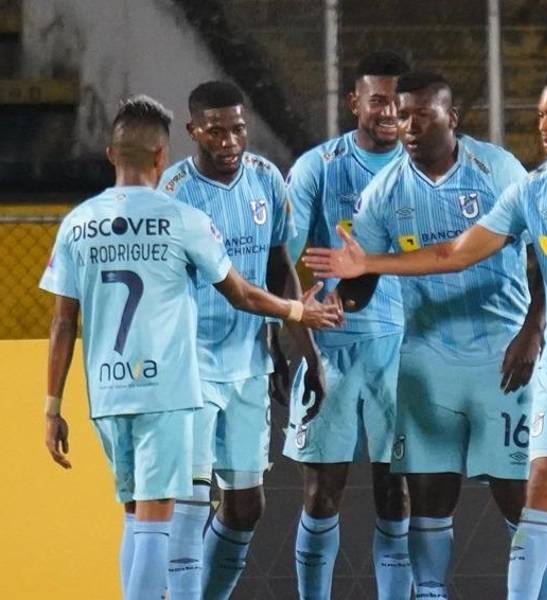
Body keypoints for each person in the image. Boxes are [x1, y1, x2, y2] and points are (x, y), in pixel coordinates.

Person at [304, 65, 547, 600]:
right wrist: (359, 273)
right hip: (536, 371)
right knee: (529, 496)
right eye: (540, 115)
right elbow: (454, 253)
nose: (544, 126)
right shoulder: (533, 190)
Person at [39, 95, 340, 600]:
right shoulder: (179, 214)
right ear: (164, 154)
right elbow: (240, 291)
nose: (228, 142)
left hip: (109, 392)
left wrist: (52, 407)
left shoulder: (76, 223)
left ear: (111, 154)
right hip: (172, 386)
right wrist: (296, 313)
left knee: (137, 515)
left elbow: (63, 322)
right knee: (164, 518)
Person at [308, 70, 547, 599]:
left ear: (452, 118)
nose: (406, 124)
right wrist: (336, 301)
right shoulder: (384, 192)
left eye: (422, 114)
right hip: (425, 362)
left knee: (521, 503)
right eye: (401, 113)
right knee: (428, 505)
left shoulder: (498, 170)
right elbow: (362, 279)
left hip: (502, 356)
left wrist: (534, 329)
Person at [158, 81, 328, 599]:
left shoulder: (266, 179)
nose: (229, 140)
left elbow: (281, 270)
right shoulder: (173, 192)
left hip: (249, 366)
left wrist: (304, 354)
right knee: (188, 509)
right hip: (189, 369)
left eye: (237, 128)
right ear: (192, 132)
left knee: (245, 506)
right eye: (215, 131)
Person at [283, 51, 414, 599]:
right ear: (354, 101)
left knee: (395, 491)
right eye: (376, 99)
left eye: (397, 102)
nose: (388, 112)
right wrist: (300, 336)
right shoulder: (319, 165)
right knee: (321, 493)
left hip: (400, 351)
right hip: (332, 350)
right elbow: (279, 261)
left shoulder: (421, 169)